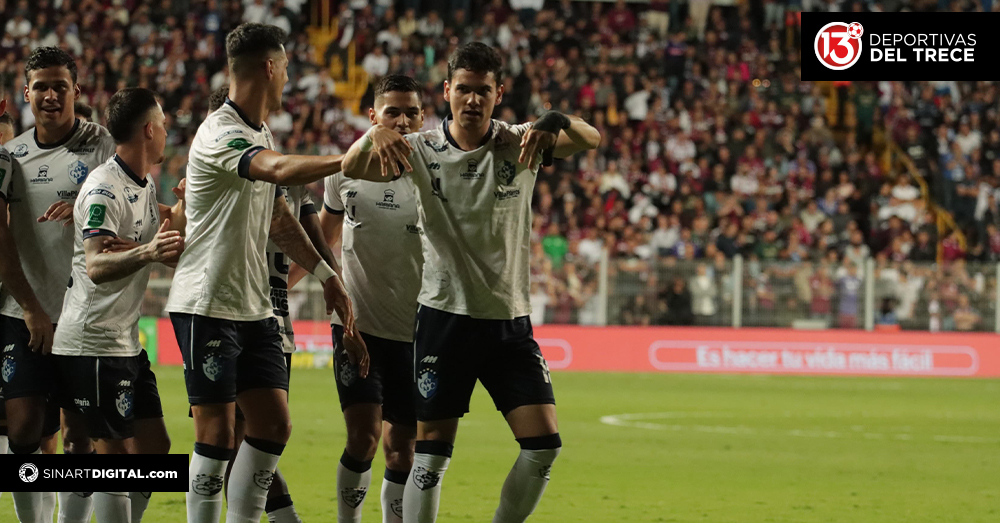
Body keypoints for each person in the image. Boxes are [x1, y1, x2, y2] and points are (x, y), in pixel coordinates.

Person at [341, 42, 600, 523]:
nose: (473, 100)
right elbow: (352, 167)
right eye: (464, 89)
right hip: (445, 320)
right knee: (432, 455)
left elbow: (591, 137)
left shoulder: (521, 142)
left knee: (543, 446)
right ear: (447, 91)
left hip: (508, 322)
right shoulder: (419, 149)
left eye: (484, 90)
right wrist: (374, 133)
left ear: (499, 93)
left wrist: (555, 117)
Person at [163, 23, 366, 523]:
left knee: (273, 425)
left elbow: (279, 217)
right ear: (270, 68)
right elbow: (275, 171)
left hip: (253, 306)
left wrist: (327, 276)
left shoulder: (259, 130)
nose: (288, 80)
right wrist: (350, 159)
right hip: (207, 301)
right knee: (217, 435)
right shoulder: (221, 132)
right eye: (286, 70)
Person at [52, 87, 181, 523]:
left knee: (155, 450)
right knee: (113, 457)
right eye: (162, 125)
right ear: (148, 130)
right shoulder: (105, 187)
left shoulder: (141, 186)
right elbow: (95, 266)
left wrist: (184, 203)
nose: (166, 133)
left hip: (122, 341)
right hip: (92, 340)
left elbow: (174, 231)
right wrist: (147, 252)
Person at [0, 47, 116, 523]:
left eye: (60, 86)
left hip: (83, 316)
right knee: (24, 427)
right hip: (25, 311)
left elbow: (127, 209)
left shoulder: (103, 146)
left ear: (76, 91)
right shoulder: (11, 156)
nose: (50, 95)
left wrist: (91, 206)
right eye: (41, 87)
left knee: (80, 436)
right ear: (26, 93)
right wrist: (29, 306)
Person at [207, 82, 322, 523]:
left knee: (261, 437)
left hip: (273, 326)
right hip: (230, 318)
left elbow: (311, 237)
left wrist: (329, 280)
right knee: (232, 439)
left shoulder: (282, 179)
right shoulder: (220, 175)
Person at [317, 74, 424, 523]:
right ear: (372, 115)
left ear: (423, 116)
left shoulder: (433, 171)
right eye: (392, 111)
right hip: (357, 325)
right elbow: (325, 234)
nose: (402, 120)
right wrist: (323, 281)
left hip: (418, 329)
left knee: (402, 449)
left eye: (411, 112)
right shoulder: (346, 170)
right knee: (362, 437)